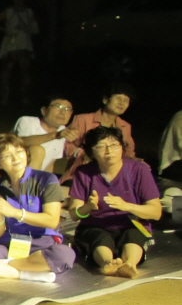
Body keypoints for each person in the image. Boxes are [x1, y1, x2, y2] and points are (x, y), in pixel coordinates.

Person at [0, 133, 75, 283]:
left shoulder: (46, 179)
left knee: (63, 255)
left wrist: (14, 212)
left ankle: (3, 266)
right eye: (7, 155)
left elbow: (52, 221)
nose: (16, 158)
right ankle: (24, 274)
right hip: (11, 245)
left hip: (43, 244)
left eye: (19, 151)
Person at [67, 125, 162, 279]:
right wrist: (88, 207)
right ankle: (107, 263)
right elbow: (74, 214)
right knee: (99, 238)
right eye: (101, 147)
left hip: (132, 223)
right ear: (91, 151)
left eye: (114, 145)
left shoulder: (139, 170)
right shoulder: (84, 173)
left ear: (122, 147)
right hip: (96, 225)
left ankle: (129, 264)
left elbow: (156, 213)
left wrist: (126, 206)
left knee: (133, 235)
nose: (109, 151)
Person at [62, 84, 135, 180]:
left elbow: (128, 150)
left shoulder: (125, 126)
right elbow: (64, 143)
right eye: (118, 98)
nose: (121, 103)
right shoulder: (83, 119)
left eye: (126, 100)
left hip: (112, 175)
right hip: (81, 173)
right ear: (105, 100)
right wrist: (82, 153)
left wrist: (132, 158)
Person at [0, 0, 39, 105]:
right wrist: (6, 30)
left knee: (25, 73)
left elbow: (35, 29)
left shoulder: (29, 12)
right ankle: (4, 97)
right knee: (6, 72)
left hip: (24, 45)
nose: (19, 0)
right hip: (11, 46)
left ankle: (24, 97)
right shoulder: (9, 11)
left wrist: (25, 27)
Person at [14, 95, 76, 173]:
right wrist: (55, 135)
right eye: (58, 107)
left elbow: (50, 163)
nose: (63, 112)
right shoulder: (27, 121)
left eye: (67, 109)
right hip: (13, 174)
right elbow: (20, 142)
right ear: (44, 110)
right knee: (37, 150)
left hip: (36, 176)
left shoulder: (62, 130)